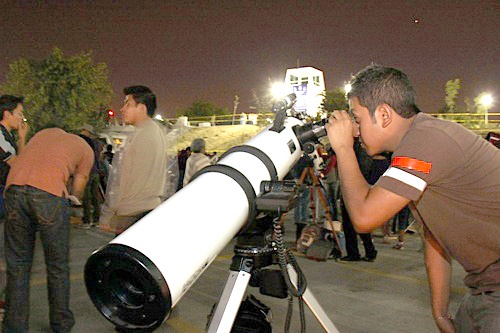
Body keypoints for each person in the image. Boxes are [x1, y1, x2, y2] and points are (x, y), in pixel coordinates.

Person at [325, 64, 500, 333]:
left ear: (383, 114)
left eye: (357, 120)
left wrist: (343, 148)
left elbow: (363, 218)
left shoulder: (426, 139)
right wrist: (440, 313)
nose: (355, 131)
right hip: (484, 286)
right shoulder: (419, 143)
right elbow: (434, 239)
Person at [2, 127, 94, 332]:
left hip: (14, 189)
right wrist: (73, 199)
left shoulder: (43, 133)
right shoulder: (86, 149)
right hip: (48, 193)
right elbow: (80, 182)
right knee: (57, 265)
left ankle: (14, 327)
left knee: (18, 264)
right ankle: (61, 323)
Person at [99, 86, 168, 235]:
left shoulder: (141, 136)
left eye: (127, 104)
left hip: (131, 213)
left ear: (141, 108)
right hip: (149, 208)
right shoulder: (157, 132)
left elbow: (122, 178)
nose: (122, 109)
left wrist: (110, 213)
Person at [0, 95, 29, 316]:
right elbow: (19, 165)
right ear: (7, 114)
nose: (22, 117)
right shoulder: (1, 136)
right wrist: (23, 138)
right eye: (19, 113)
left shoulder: (7, 135)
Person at [77, 124, 102, 229]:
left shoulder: (86, 142)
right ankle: (96, 220)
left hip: (88, 171)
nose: (81, 133)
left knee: (86, 197)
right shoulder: (98, 143)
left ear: (87, 132)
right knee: (95, 197)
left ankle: (86, 221)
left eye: (82, 130)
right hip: (95, 171)